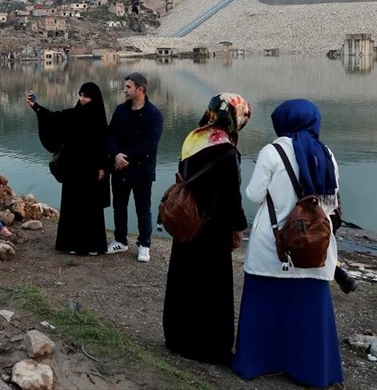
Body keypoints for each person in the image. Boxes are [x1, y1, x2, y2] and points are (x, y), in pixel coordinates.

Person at [233, 99, 344, 387]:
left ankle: (258, 362)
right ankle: (311, 370)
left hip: (275, 245)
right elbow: (330, 201)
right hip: (314, 247)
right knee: (308, 310)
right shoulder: (326, 153)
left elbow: (254, 195)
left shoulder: (272, 151)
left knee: (265, 303)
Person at [163, 93, 251, 365]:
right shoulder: (227, 150)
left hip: (188, 221)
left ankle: (178, 338)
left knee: (184, 280)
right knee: (212, 288)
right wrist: (238, 227)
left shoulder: (193, 139)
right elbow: (230, 197)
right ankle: (209, 347)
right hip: (212, 230)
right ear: (234, 117)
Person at [27, 82, 109, 255]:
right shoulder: (74, 114)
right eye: (80, 95)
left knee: (90, 207)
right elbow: (54, 118)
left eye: (86, 96)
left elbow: (102, 144)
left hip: (91, 168)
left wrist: (102, 167)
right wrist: (36, 107)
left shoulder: (98, 118)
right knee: (72, 204)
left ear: (94, 98)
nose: (82, 99)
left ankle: (93, 245)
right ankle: (70, 244)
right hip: (73, 167)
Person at [106, 72, 164, 261]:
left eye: (128, 87)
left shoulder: (154, 115)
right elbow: (110, 135)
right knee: (119, 206)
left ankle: (144, 245)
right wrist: (115, 154)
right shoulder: (120, 110)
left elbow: (150, 143)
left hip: (141, 169)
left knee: (143, 208)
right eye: (125, 87)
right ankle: (120, 241)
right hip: (119, 166)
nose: (125, 90)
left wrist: (127, 156)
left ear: (141, 89)